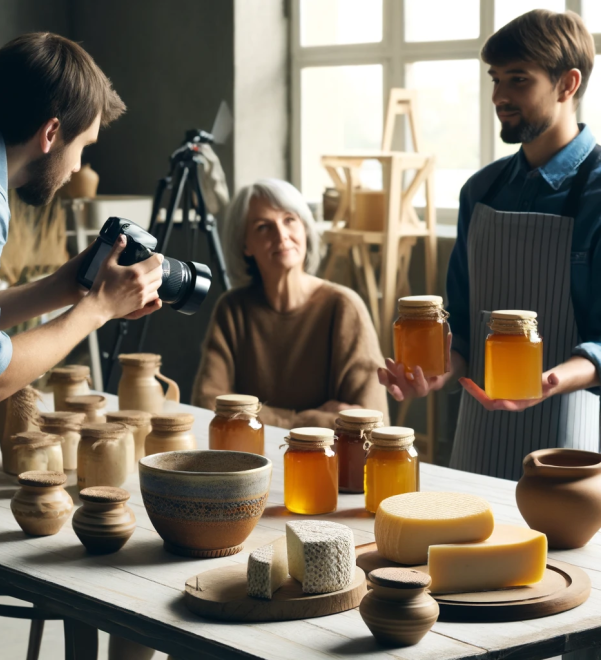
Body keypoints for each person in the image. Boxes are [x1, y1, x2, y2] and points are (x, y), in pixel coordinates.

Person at [379, 9, 601, 481]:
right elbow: (460, 320)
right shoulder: (479, 191)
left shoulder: (597, 195)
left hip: (569, 435)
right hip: (477, 438)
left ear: (568, 84)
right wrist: (438, 370)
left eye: (519, 80)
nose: (499, 96)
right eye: (495, 79)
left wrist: (549, 381)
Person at [0, 33, 164, 410]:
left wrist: (65, 287)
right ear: (51, 132)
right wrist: (99, 309)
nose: (76, 167)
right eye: (82, 147)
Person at [192, 178, 389, 428]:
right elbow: (206, 404)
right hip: (249, 461)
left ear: (305, 228)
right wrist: (310, 419)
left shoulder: (344, 307)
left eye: (289, 220)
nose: (282, 235)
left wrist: (250, 416)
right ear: (245, 245)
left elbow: (372, 423)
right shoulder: (232, 309)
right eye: (264, 227)